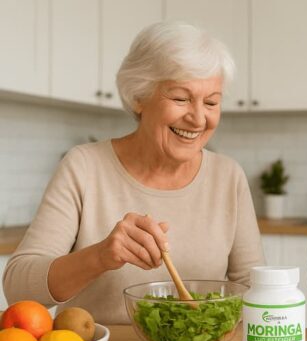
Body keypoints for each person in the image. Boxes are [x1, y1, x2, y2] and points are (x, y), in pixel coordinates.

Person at [2, 21, 264, 324]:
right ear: (139, 97)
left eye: (211, 102)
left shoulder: (228, 177)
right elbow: (18, 289)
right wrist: (100, 257)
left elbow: (254, 289)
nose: (198, 118)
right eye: (180, 98)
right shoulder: (84, 167)